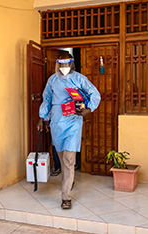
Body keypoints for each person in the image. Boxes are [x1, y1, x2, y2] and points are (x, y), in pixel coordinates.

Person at [37, 51, 101, 209]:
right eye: (62, 64)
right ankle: (69, 179)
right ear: (58, 64)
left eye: (67, 64)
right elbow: (47, 99)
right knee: (61, 155)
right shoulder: (52, 80)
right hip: (57, 122)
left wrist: (89, 109)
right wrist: (42, 117)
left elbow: (95, 94)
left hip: (73, 121)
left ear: (71, 63)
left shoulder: (79, 78)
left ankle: (65, 197)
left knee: (68, 159)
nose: (64, 67)